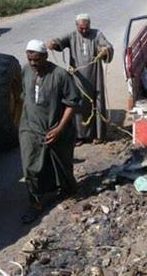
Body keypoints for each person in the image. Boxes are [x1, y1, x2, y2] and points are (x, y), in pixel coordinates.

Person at [19, 40, 81, 224]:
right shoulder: (26, 71)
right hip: (30, 128)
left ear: (45, 56)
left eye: (36, 59)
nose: (33, 64)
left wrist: (60, 128)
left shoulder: (60, 75)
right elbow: (25, 96)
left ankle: (66, 189)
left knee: (61, 164)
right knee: (30, 166)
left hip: (55, 128)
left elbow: (72, 103)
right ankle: (36, 204)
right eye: (30, 59)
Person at [46, 14, 114, 146]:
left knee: (97, 103)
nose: (84, 31)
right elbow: (59, 42)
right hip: (77, 78)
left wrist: (105, 50)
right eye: (81, 28)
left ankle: (98, 135)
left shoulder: (97, 34)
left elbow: (107, 45)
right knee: (77, 104)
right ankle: (79, 136)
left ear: (90, 25)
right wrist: (53, 44)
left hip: (95, 76)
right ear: (76, 26)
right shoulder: (72, 35)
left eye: (86, 28)